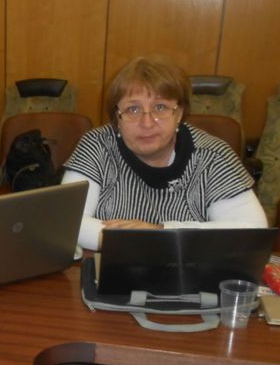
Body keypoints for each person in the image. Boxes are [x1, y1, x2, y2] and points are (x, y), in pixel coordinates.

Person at [62, 55, 267, 251]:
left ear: (179, 113)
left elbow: (252, 231)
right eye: (133, 109)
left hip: (187, 271)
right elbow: (67, 221)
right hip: (109, 268)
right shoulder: (97, 145)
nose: (147, 123)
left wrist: (160, 232)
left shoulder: (212, 155)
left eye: (160, 107)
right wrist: (147, 242)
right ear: (117, 117)